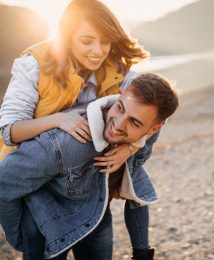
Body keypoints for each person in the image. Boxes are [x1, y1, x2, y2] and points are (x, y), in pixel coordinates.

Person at [0, 0, 155, 258]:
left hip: (91, 194)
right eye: (87, 41)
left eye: (105, 41)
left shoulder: (117, 69)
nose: (98, 51)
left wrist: (128, 149)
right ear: (66, 36)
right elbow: (8, 131)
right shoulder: (34, 64)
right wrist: (57, 119)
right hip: (43, 197)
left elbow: (150, 111)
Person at [0, 73, 179, 260]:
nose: (118, 124)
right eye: (120, 108)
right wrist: (18, 237)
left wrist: (130, 148)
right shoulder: (66, 143)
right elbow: (4, 179)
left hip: (96, 217)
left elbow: (160, 118)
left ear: (153, 129)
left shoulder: (148, 134)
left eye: (134, 122)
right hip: (47, 227)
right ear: (121, 93)